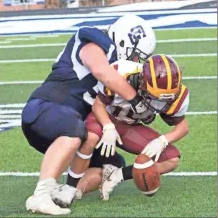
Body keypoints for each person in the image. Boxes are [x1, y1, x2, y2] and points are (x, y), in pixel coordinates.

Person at [21, 15, 156, 215]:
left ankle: (65, 192)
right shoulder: (93, 41)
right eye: (136, 56)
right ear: (123, 41)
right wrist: (136, 101)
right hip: (44, 109)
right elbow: (101, 71)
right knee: (74, 129)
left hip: (68, 124)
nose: (136, 62)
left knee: (113, 162)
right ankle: (40, 195)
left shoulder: (117, 67)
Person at [70, 54, 189, 200]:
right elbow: (98, 106)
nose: (158, 102)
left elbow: (183, 127)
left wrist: (162, 140)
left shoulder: (176, 94)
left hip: (129, 128)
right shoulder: (122, 72)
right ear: (142, 82)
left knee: (171, 159)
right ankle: (70, 186)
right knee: (91, 137)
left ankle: (115, 175)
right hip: (104, 118)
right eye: (154, 96)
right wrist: (108, 127)